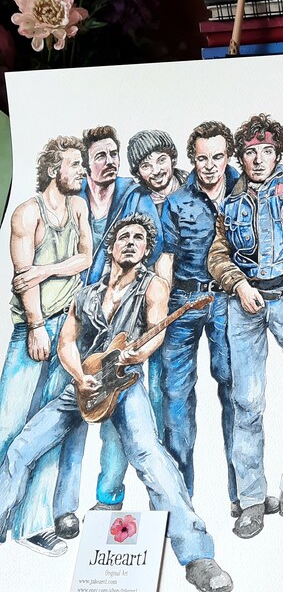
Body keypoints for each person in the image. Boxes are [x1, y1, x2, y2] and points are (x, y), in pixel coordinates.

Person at [0, 214, 233, 592]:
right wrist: (80, 376)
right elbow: (67, 342)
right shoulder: (86, 294)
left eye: (139, 238)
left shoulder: (152, 286)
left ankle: (197, 556)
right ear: (111, 246)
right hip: (84, 384)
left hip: (124, 386)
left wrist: (137, 354)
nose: (131, 242)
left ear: (146, 250)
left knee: (150, 457)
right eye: (124, 236)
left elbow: (155, 331)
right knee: (22, 446)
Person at [207, 114, 283, 538]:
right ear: (240, 157)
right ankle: (252, 501)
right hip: (244, 305)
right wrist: (238, 285)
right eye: (250, 152)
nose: (259, 159)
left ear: (278, 153)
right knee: (247, 402)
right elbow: (217, 256)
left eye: (267, 151)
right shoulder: (230, 201)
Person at [0, 137, 92, 555]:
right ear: (55, 168)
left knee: (50, 429)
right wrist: (36, 325)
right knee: (9, 425)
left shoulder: (78, 206)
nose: (82, 171)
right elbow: (24, 279)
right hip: (33, 327)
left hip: (68, 327)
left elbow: (86, 257)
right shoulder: (26, 212)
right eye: (75, 164)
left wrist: (45, 270)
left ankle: (34, 523)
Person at [77, 125, 164, 513]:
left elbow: (154, 246)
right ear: (86, 164)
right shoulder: (76, 194)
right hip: (84, 310)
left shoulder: (133, 194)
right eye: (101, 156)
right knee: (80, 409)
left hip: (127, 311)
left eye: (114, 155)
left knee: (130, 412)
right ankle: (74, 504)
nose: (110, 162)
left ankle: (116, 497)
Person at [156, 122, 239, 516]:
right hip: (184, 301)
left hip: (228, 300)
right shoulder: (177, 202)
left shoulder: (243, 187)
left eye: (217, 157)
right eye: (202, 158)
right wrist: (160, 313)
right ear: (192, 159)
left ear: (228, 156)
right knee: (176, 395)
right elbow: (166, 260)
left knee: (234, 390)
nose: (209, 166)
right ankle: (180, 499)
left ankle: (242, 496)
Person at [126, 129, 187, 443]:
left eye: (161, 160)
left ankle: (169, 453)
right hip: (148, 299)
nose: (156, 170)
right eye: (146, 165)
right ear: (138, 172)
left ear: (172, 159)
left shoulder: (193, 185)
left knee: (172, 385)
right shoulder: (136, 199)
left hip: (189, 296)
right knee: (144, 380)